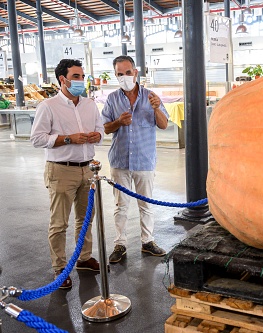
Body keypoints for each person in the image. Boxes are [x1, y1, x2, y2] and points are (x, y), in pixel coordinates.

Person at [31, 59, 104, 289]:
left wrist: (96, 136)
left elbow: (101, 130)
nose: (81, 81)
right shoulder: (48, 106)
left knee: (85, 219)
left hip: (87, 168)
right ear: (62, 79)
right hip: (61, 170)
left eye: (82, 76)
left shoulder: (90, 105)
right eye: (76, 76)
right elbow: (37, 139)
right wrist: (68, 138)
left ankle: (84, 258)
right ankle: (59, 268)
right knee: (59, 222)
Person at [101, 55, 168, 263]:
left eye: (127, 73)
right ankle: (119, 244)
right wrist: (119, 122)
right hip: (120, 161)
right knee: (121, 205)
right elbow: (104, 128)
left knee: (146, 204)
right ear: (116, 75)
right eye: (120, 74)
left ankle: (147, 241)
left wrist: (157, 108)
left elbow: (164, 124)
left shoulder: (151, 97)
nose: (124, 77)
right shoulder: (112, 99)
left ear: (135, 72)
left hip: (144, 160)